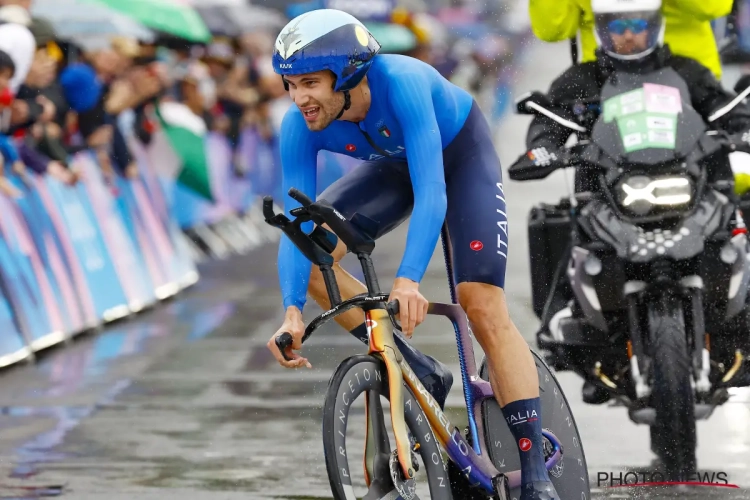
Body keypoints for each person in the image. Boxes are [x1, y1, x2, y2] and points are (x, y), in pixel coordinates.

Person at [267, 8, 559, 500]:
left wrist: (407, 280)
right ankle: (417, 366)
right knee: (313, 255)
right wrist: (292, 312)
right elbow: (295, 226)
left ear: (349, 73)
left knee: (481, 304)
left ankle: (536, 474)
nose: (299, 99)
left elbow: (432, 194)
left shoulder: (401, 82)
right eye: (289, 84)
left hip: (457, 160)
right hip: (392, 166)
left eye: (309, 83)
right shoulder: (300, 125)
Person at [510, 0, 750, 403]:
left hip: (685, 169)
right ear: (601, 28)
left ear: (656, 24)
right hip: (610, 182)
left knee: (735, 209)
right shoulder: (584, 77)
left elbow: (725, 107)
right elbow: (550, 117)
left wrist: (741, 133)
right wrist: (543, 148)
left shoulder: (686, 70)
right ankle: (573, 317)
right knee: (567, 220)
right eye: (616, 25)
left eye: (638, 23)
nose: (627, 33)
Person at [528, 0, 731, 80]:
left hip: (690, 85)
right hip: (604, 87)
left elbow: (713, 6)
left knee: (731, 166)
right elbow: (553, 29)